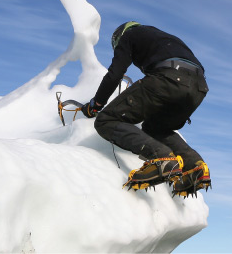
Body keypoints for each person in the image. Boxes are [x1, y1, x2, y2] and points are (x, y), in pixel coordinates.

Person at [81, 21, 211, 196]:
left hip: (170, 77)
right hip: (199, 88)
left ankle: (161, 158)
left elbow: (115, 74)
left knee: (106, 120)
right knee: (155, 128)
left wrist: (96, 104)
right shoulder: (164, 38)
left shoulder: (129, 35)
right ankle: (195, 166)